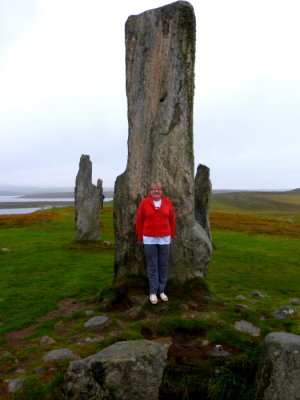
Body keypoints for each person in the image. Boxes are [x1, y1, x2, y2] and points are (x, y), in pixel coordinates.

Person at [135, 182, 176, 304]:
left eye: (158, 189)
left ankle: (161, 291)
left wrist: (171, 235)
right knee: (152, 266)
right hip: (149, 238)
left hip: (164, 238)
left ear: (162, 191)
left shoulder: (168, 202)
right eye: (154, 189)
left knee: (163, 265)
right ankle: (153, 292)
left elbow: (172, 219)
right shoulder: (144, 202)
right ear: (150, 191)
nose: (156, 191)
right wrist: (140, 237)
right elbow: (139, 220)